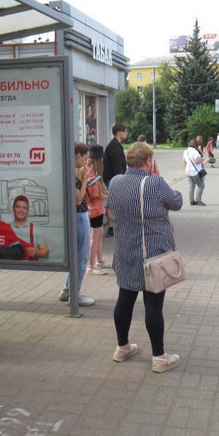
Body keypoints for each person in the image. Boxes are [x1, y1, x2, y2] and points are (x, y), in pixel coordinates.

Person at [108, 141, 183, 373]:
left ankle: (122, 347)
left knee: (125, 298)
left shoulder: (115, 182)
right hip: (152, 256)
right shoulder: (155, 183)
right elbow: (177, 202)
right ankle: (159, 358)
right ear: (149, 162)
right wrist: (158, 177)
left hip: (124, 253)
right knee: (153, 304)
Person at [58, 143, 95, 306]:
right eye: (85, 158)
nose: (86, 162)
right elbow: (78, 199)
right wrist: (85, 180)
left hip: (76, 216)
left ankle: (68, 288)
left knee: (78, 254)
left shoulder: (67, 171)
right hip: (79, 216)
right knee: (82, 255)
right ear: (78, 156)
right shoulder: (69, 174)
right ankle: (75, 293)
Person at [0, 195, 48, 261]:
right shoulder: (6, 229)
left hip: (31, 267)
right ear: (13, 208)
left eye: (24, 208)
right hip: (12, 267)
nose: (21, 210)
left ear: (28, 211)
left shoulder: (35, 229)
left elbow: (45, 251)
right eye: (18, 207)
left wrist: (36, 253)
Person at [86, 144, 109, 275]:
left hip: (96, 208)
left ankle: (99, 261)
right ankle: (91, 265)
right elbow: (93, 192)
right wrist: (104, 196)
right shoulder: (90, 171)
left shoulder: (90, 170)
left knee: (99, 234)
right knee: (95, 236)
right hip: (94, 208)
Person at [102, 123, 128, 237]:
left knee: (113, 202)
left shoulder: (116, 145)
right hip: (113, 179)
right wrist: (121, 180)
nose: (126, 133)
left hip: (114, 179)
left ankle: (113, 226)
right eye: (124, 131)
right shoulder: (114, 147)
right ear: (118, 132)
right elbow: (117, 167)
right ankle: (111, 227)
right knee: (112, 203)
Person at [183, 139, 206, 206]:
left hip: (188, 172)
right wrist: (202, 159)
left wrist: (188, 168)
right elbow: (197, 161)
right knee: (201, 186)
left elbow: (184, 161)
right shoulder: (195, 151)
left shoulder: (186, 151)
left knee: (191, 186)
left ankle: (192, 201)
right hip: (195, 172)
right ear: (196, 145)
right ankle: (198, 200)